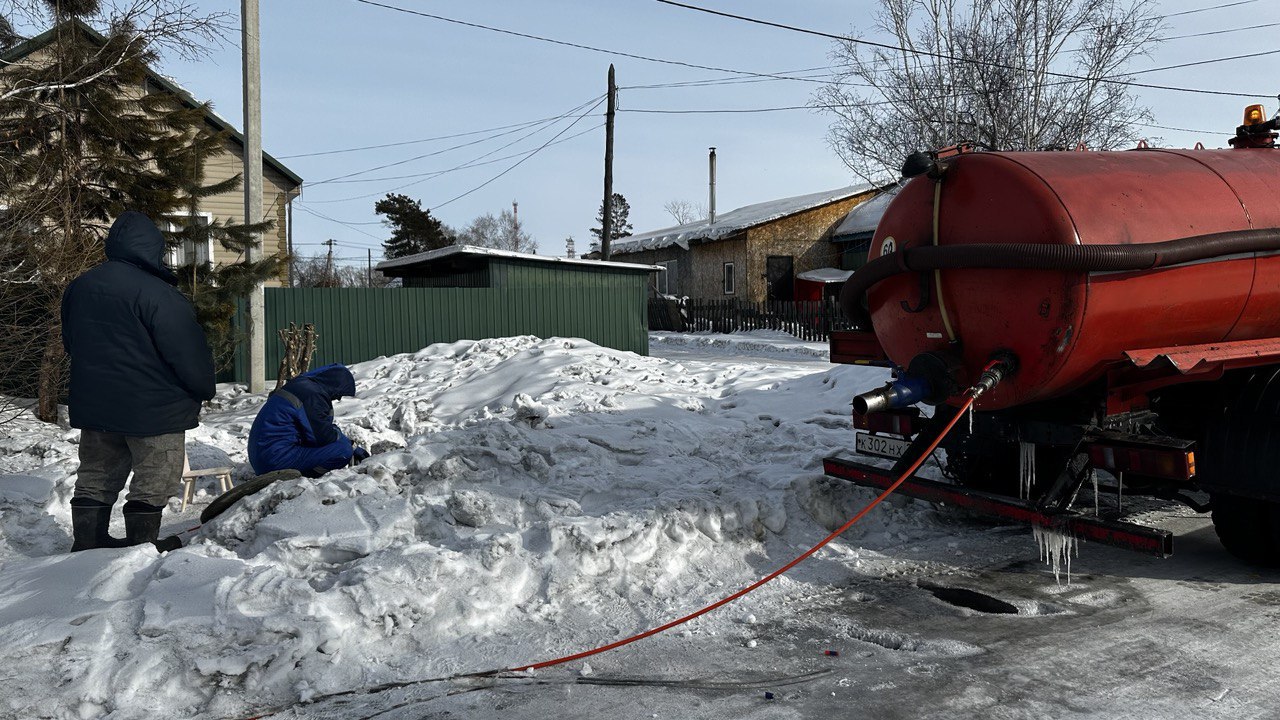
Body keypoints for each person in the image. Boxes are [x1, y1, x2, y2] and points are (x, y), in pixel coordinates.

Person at [61, 211, 216, 551]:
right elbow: (186, 352)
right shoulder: (158, 294)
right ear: (151, 249)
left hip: (97, 405)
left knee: (96, 475)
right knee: (154, 478)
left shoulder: (80, 288)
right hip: (154, 410)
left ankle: (88, 542)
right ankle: (140, 547)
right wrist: (204, 388)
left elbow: (71, 343)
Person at [248, 364, 368, 478]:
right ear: (335, 384)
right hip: (274, 460)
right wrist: (350, 447)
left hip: (263, 455)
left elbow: (318, 429)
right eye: (339, 393)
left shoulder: (302, 386)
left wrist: (351, 444)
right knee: (343, 451)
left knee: (342, 445)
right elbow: (322, 437)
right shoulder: (313, 395)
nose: (338, 398)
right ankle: (305, 478)